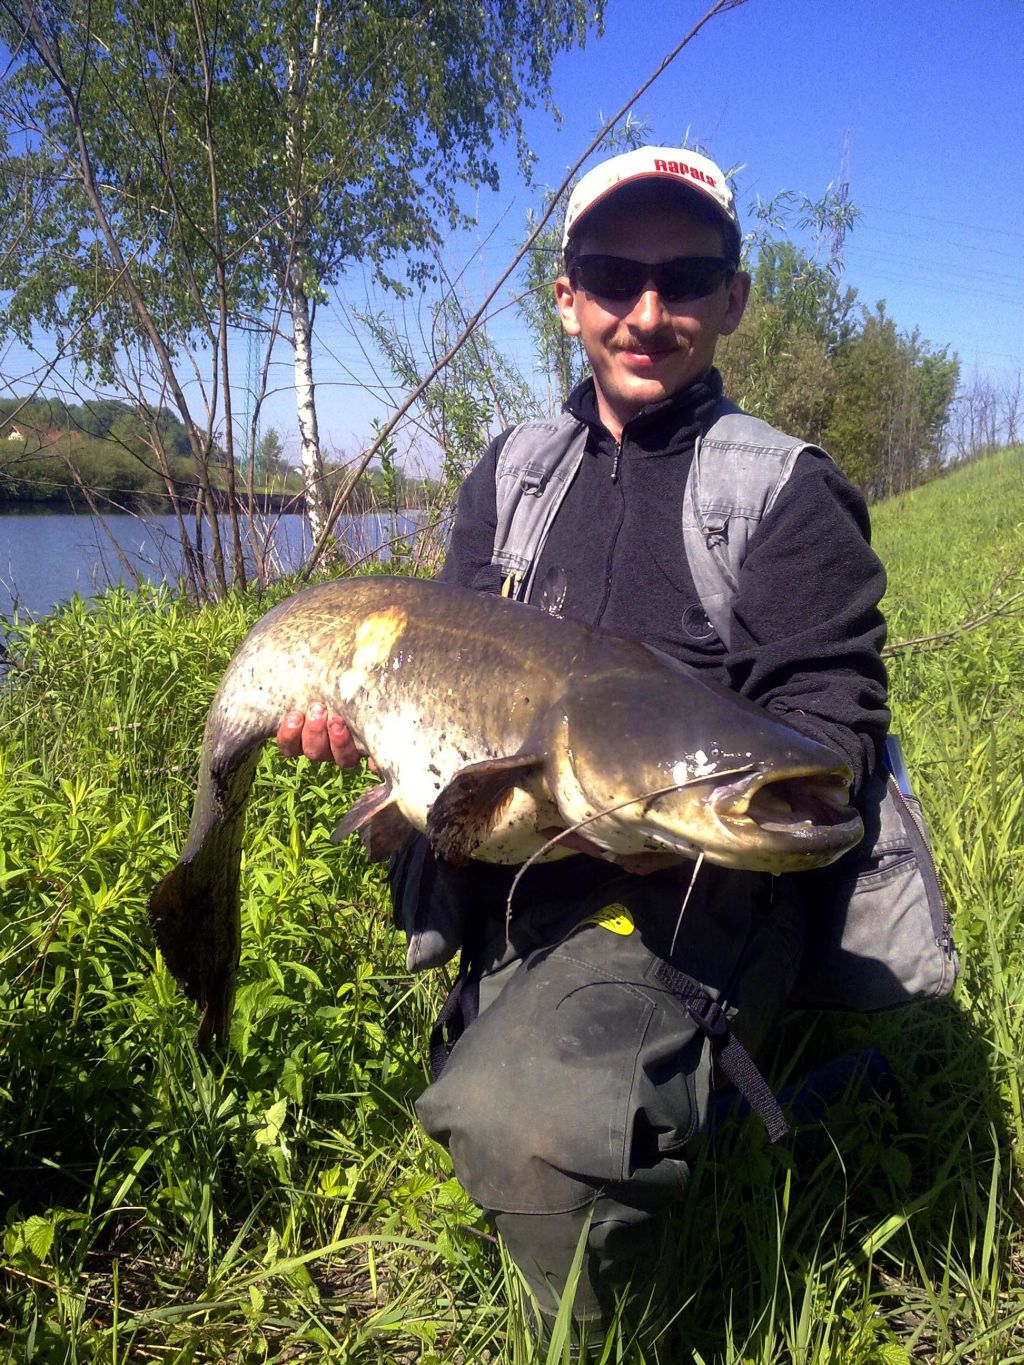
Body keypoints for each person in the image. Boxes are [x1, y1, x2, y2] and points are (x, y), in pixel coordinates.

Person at [276, 146, 889, 1338]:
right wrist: (357, 725)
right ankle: (726, 1097)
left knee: (530, 1127)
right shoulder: (509, 469)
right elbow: (420, 658)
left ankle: (610, 1321)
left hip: (693, 890)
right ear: (566, 298)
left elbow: (833, 734)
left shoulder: (782, 493)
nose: (647, 313)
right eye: (612, 276)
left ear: (733, 299)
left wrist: (661, 834)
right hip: (513, 865)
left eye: (688, 278)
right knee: (491, 1072)